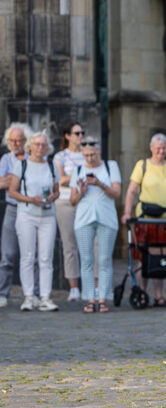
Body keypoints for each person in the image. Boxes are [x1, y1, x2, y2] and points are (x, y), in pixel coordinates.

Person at [122, 133, 166, 306]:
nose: (161, 151)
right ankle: (142, 292)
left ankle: (159, 295)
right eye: (157, 148)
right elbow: (132, 190)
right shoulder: (142, 166)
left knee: (162, 255)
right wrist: (127, 212)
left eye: (163, 148)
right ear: (151, 149)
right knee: (144, 256)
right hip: (146, 218)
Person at [68, 135, 121, 315]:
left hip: (106, 217)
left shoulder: (110, 166)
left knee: (105, 259)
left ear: (98, 151)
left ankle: (103, 298)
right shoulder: (77, 170)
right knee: (87, 260)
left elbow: (116, 193)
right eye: (87, 155)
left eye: (93, 154)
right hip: (84, 218)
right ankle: (90, 299)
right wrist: (82, 191)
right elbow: (72, 201)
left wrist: (99, 183)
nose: (90, 158)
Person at [10, 131, 60, 312]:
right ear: (30, 146)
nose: (40, 148)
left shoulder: (51, 165)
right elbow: (12, 191)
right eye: (37, 144)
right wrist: (31, 199)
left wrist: (53, 196)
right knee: (27, 257)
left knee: (46, 257)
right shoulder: (21, 165)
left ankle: (45, 296)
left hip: (47, 215)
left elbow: (56, 190)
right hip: (27, 214)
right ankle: (29, 296)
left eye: (44, 145)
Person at [52, 122, 86, 302]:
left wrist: (71, 178)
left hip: (85, 203)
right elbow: (59, 180)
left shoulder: (87, 154)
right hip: (65, 202)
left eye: (82, 133)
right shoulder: (60, 156)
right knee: (69, 245)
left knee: (89, 245)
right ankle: (73, 288)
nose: (81, 136)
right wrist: (80, 178)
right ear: (67, 136)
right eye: (77, 133)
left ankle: (91, 285)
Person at [0, 123, 25, 306]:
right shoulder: (5, 159)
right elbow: (0, 184)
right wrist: (19, 177)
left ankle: (33, 294)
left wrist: (11, 178)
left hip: (31, 208)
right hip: (12, 208)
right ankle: (2, 293)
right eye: (13, 140)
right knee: (7, 254)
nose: (16, 143)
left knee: (31, 255)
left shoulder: (34, 156)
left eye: (19, 140)